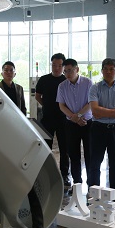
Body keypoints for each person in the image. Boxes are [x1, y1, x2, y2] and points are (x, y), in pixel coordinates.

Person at [88, 58, 115, 196]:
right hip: (98, 129)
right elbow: (95, 111)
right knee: (95, 162)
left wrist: (103, 112)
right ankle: (93, 192)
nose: (108, 72)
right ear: (102, 71)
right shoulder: (95, 88)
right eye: (105, 69)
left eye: (111, 69)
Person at [57, 58, 93, 187]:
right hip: (71, 125)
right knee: (73, 154)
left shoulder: (88, 83)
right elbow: (61, 105)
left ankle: (91, 183)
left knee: (90, 154)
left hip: (87, 123)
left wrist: (78, 116)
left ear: (77, 69)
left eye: (70, 70)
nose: (67, 74)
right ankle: (77, 183)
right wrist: (74, 118)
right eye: (65, 71)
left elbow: (91, 103)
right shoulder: (62, 86)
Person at [36, 53, 70, 186]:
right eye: (54, 65)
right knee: (46, 148)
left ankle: (65, 175)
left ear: (63, 66)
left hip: (63, 119)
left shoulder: (66, 80)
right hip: (47, 119)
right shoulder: (44, 79)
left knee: (64, 148)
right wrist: (46, 105)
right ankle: (46, 175)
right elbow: (38, 96)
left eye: (60, 65)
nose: (57, 68)